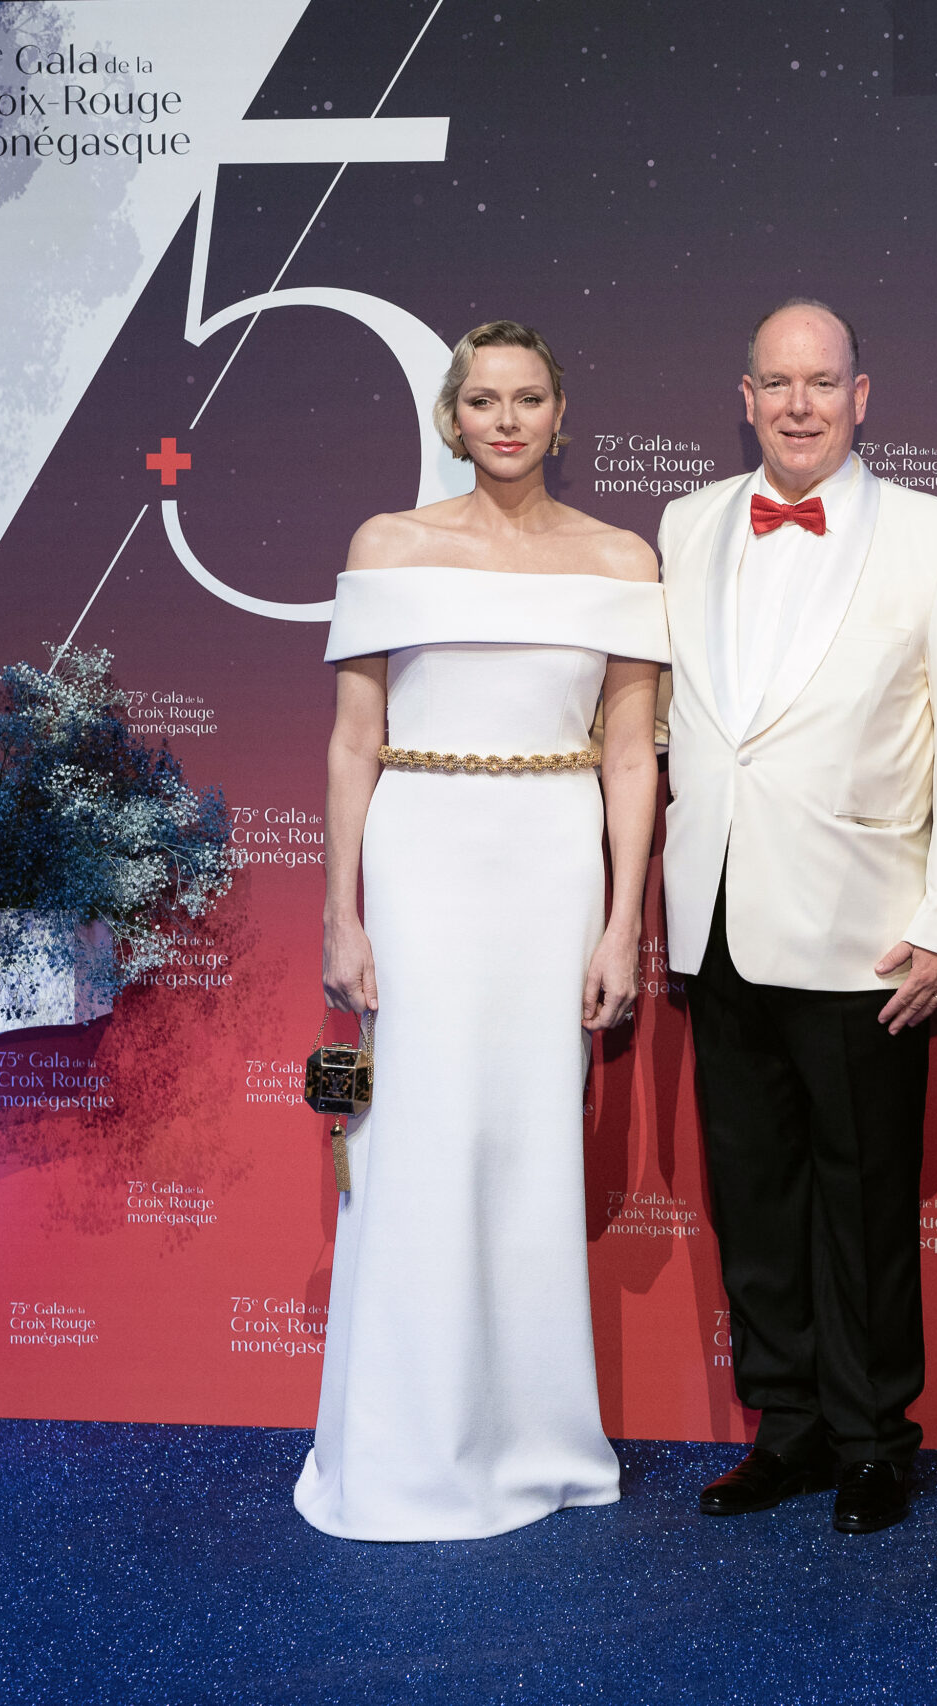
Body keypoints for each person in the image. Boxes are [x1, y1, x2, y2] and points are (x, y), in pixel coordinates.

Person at [299, 320, 667, 1541]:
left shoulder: (621, 555)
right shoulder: (387, 544)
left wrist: (622, 922)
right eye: (483, 401)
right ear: (451, 419)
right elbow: (354, 741)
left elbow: (630, 755)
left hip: (553, 860)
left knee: (525, 1142)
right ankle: (400, 1443)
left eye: (528, 399)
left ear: (564, 415)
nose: (505, 421)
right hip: (419, 859)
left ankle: (530, 1437)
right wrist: (341, 909)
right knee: (407, 1136)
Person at [658, 299, 937, 1534]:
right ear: (743, 395)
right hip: (713, 917)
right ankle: (790, 1425)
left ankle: (873, 1436)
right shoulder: (686, 520)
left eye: (823, 382)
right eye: (776, 382)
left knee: (863, 1200)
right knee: (752, 1193)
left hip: (865, 929)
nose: (799, 404)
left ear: (863, 396)